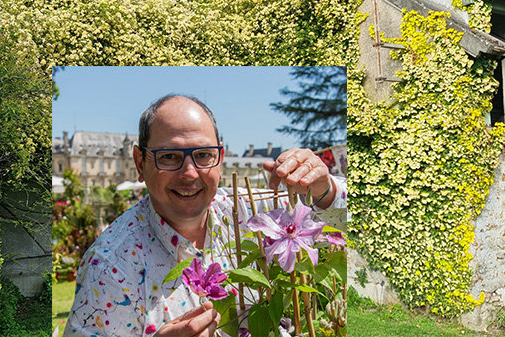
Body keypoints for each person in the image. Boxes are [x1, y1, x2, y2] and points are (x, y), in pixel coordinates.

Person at [63, 94, 347, 337]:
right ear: (140, 163)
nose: (189, 173)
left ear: (220, 160)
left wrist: (325, 189)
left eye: (203, 155)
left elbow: (344, 219)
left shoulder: (249, 210)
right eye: (169, 156)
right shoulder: (111, 266)